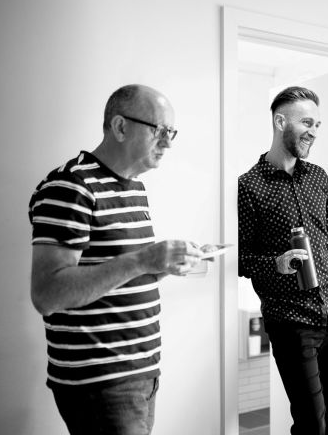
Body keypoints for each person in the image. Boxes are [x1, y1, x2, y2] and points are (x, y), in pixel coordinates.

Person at [28, 84, 206, 435]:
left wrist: (162, 264)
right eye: (159, 130)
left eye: (172, 132)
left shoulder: (134, 186)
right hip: (100, 383)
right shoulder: (71, 188)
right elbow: (47, 294)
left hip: (140, 372)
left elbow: (117, 271)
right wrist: (143, 260)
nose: (168, 142)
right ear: (121, 127)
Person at [238, 86, 328, 435]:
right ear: (279, 121)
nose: (314, 131)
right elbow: (241, 259)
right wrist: (277, 262)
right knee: (310, 423)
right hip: (292, 322)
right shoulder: (249, 186)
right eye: (306, 122)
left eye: (318, 124)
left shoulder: (319, 176)